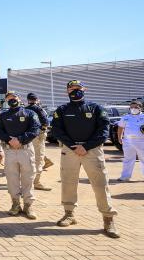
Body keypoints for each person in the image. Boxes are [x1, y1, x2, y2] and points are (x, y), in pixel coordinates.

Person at [51, 80, 119, 238]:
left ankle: (108, 219)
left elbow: (103, 130)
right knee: (68, 182)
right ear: (67, 91)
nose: (75, 91)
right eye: (72, 88)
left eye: (78, 88)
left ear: (84, 89)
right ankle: (69, 214)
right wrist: (73, 146)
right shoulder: (62, 110)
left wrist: (86, 146)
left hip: (93, 151)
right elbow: (57, 130)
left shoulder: (95, 108)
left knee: (101, 184)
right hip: (70, 151)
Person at [0, 92, 41, 219]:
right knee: (12, 179)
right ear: (6, 100)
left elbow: (35, 129)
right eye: (9, 98)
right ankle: (15, 204)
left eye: (14, 98)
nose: (12, 100)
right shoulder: (3, 115)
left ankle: (28, 205)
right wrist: (9, 140)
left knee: (28, 178)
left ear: (19, 99)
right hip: (10, 151)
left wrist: (20, 139)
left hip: (26, 150)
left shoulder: (30, 113)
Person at [25, 93, 53, 190]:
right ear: (37, 100)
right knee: (38, 159)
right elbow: (46, 122)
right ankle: (36, 183)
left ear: (28, 100)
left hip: (27, 137)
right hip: (38, 136)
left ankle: (27, 182)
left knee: (28, 159)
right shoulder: (39, 109)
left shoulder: (24, 109)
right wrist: (42, 130)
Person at [116, 101, 144, 182]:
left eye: (136, 107)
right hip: (128, 142)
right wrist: (119, 137)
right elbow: (120, 127)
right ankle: (125, 176)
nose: (133, 109)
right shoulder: (125, 117)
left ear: (140, 108)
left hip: (141, 142)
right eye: (131, 107)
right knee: (128, 159)